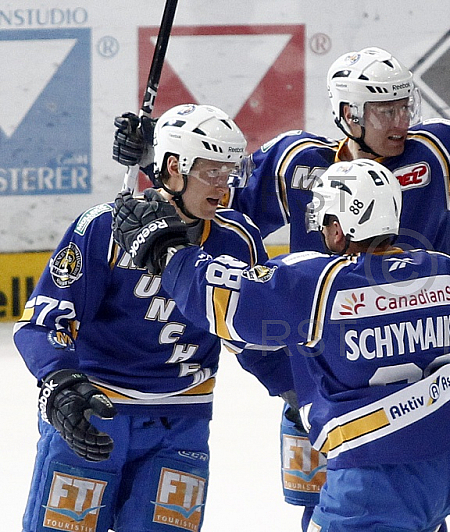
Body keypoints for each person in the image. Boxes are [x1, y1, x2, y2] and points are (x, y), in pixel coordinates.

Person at [113, 42, 450, 528]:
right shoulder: (296, 161)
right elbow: (215, 203)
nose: (399, 121)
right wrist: (159, 159)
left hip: (412, 371)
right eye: (383, 110)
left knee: (364, 511)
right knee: (324, 510)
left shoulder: (434, 151)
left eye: (403, 106)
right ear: (348, 114)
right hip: (319, 384)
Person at [111, 158, 450, 532]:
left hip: (369, 485)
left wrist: (168, 253)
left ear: (340, 227)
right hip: (441, 476)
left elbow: (226, 301)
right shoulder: (447, 275)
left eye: (326, 222)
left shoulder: (323, 282)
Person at [14, 104, 281, 532]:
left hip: (181, 427)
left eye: (229, 171)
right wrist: (60, 383)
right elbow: (43, 323)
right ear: (174, 167)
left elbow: (256, 340)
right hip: (95, 412)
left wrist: (300, 392)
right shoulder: (103, 228)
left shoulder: (239, 239)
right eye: (213, 171)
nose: (225, 184)